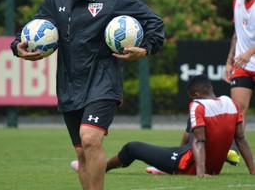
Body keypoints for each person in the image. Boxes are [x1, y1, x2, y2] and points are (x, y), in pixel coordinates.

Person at [10, 0, 165, 190]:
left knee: (90, 138)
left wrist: (146, 48)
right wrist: (19, 46)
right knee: (82, 153)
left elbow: (155, 23)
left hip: (104, 82)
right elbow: (29, 31)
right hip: (69, 84)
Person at [72, 75, 255, 177]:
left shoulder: (197, 105)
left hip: (188, 165)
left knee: (132, 147)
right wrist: (252, 170)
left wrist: (200, 173)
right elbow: (240, 139)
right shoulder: (230, 103)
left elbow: (199, 141)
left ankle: (99, 167)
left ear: (197, 93)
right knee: (196, 126)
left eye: (192, 96)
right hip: (213, 166)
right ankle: (166, 161)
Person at [224, 0, 255, 131]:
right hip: (242, 65)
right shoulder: (237, 1)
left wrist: (250, 52)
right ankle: (235, 154)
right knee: (238, 113)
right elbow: (237, 33)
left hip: (247, 57)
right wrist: (229, 61)